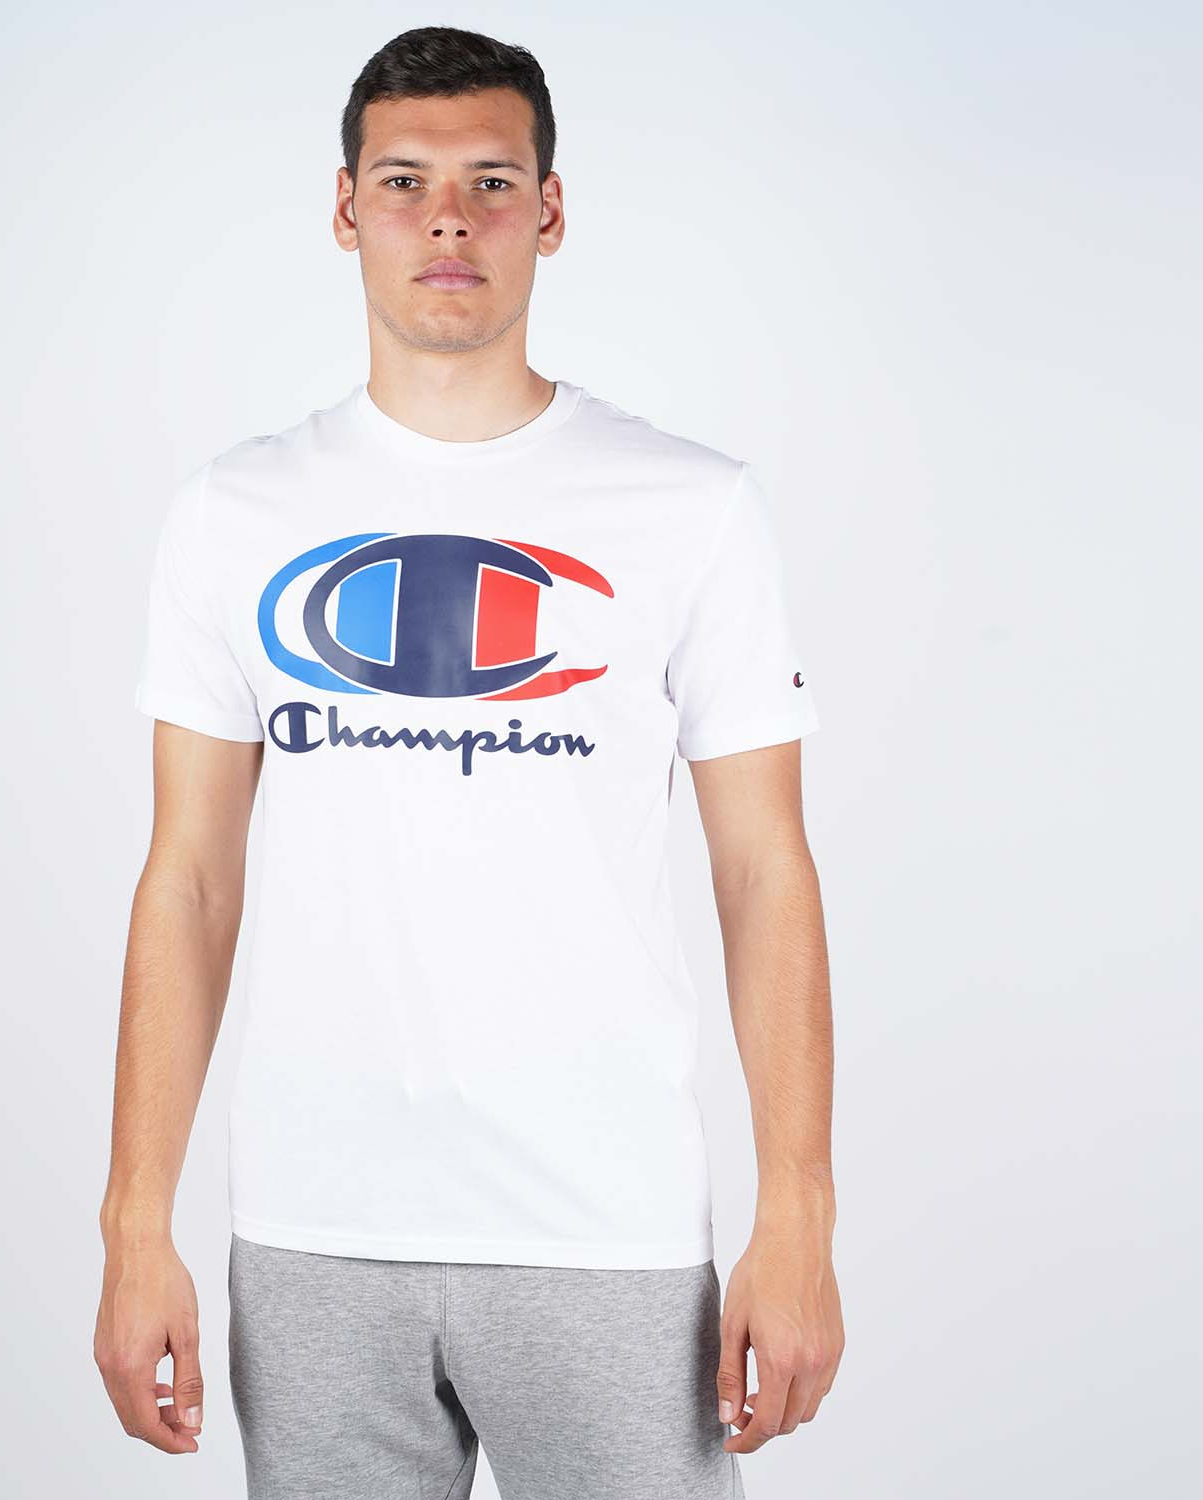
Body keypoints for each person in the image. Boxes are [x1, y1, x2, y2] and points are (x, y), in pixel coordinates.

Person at [94, 24, 842, 1499]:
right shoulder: (233, 515)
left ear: (550, 212)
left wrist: (800, 1217)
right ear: (345, 208)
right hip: (313, 1232)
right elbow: (187, 881)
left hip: (605, 1229)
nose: (449, 219)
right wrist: (134, 1224)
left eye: (492, 181)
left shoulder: (689, 508)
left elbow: (765, 870)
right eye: (406, 181)